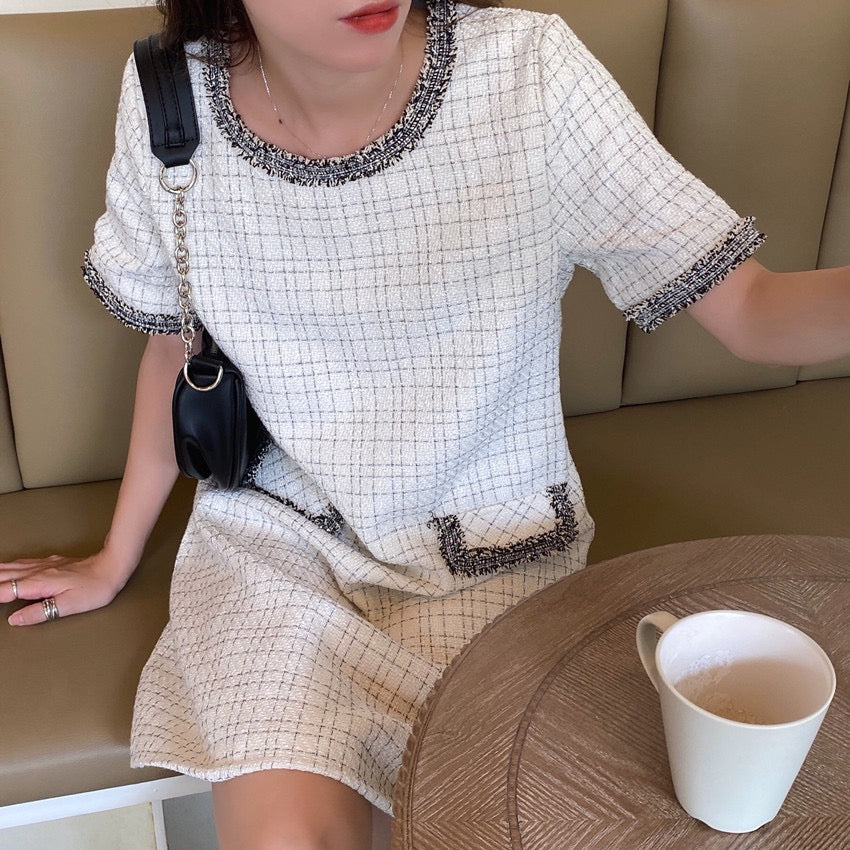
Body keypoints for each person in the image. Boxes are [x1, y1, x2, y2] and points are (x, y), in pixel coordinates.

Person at [2, 0, 848, 847]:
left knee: (463, 827)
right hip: (277, 544)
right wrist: (114, 558)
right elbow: (176, 349)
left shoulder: (528, 73)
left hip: (489, 548)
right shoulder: (169, 97)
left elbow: (753, 310)